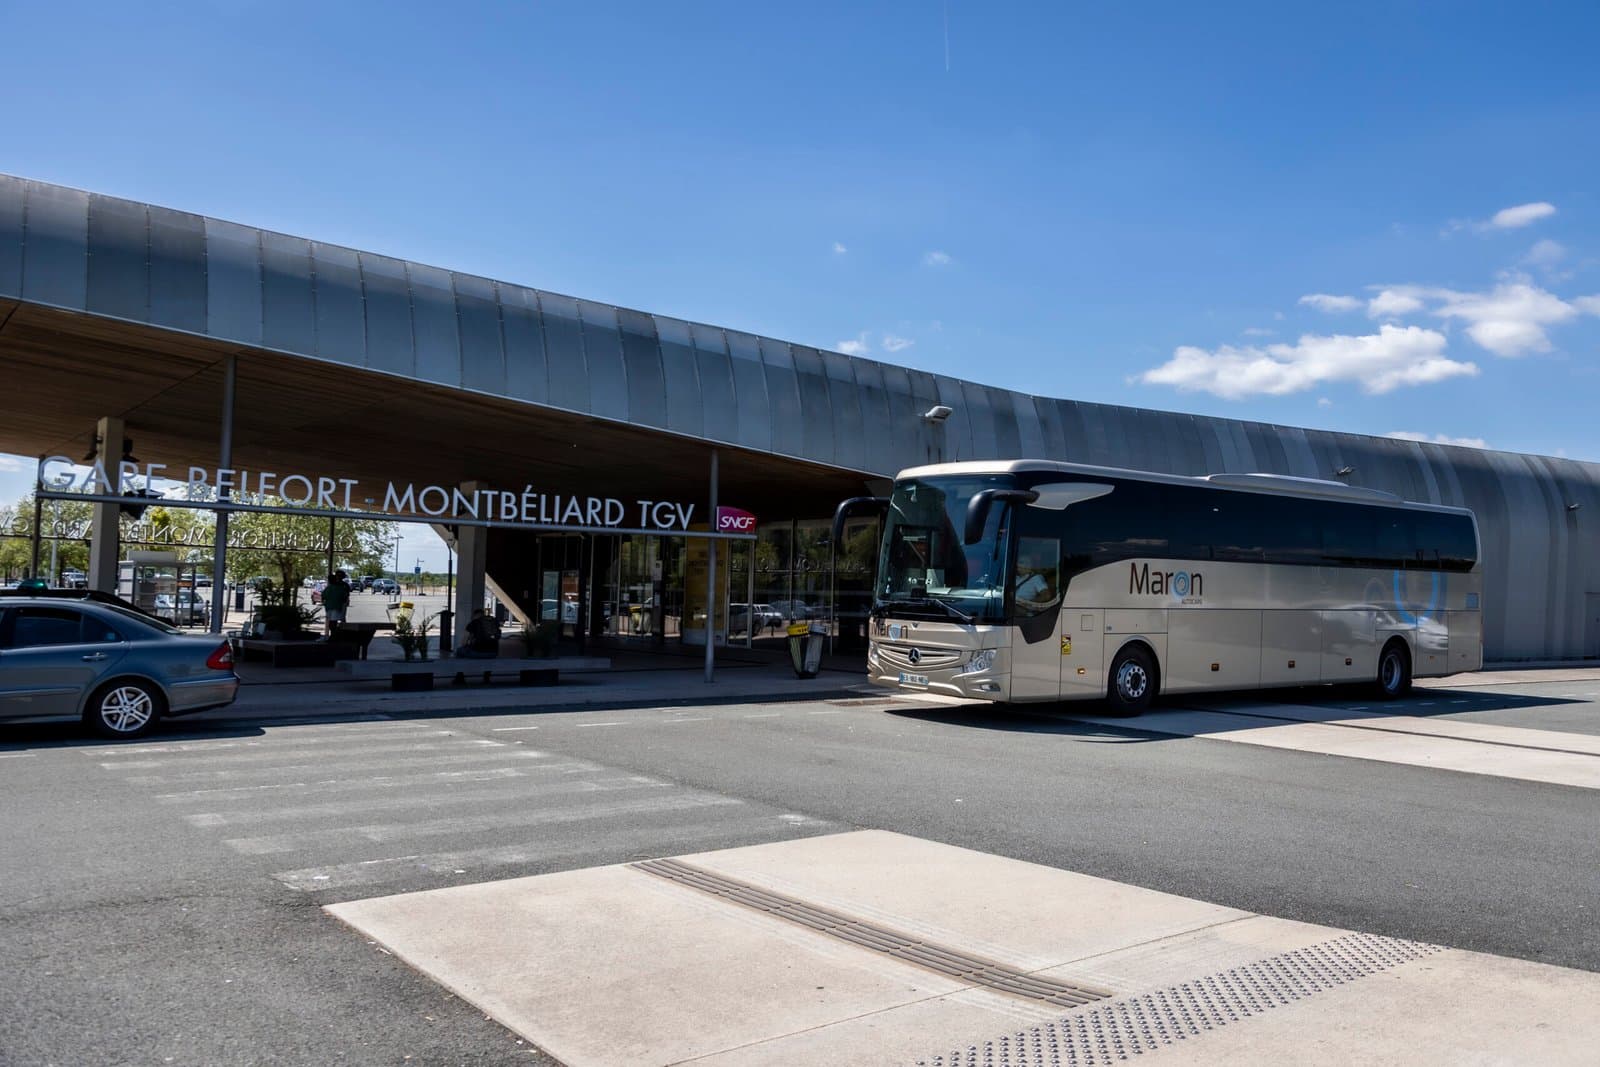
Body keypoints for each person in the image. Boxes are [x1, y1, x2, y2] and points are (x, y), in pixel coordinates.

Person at [321, 570, 352, 638]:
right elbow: (346, 595)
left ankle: (338, 634)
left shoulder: (340, 586)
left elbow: (323, 596)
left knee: (336, 620)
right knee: (336, 620)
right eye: (338, 576)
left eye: (340, 576)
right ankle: (336, 634)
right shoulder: (338, 586)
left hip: (337, 605)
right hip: (337, 605)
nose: (339, 577)